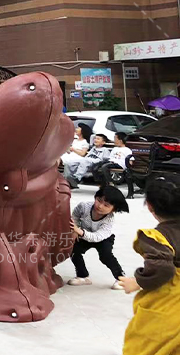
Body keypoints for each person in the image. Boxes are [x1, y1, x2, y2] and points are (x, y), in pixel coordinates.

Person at [118, 175, 180, 355]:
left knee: (146, 345)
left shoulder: (156, 237)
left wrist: (138, 281)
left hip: (170, 302)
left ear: (150, 207)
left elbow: (162, 268)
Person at [67, 185, 130, 289]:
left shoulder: (108, 220)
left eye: (106, 205)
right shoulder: (84, 206)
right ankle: (83, 276)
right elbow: (75, 216)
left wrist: (79, 231)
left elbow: (97, 237)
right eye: (99, 200)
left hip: (103, 238)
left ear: (113, 210)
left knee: (106, 256)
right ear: (95, 197)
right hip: (83, 233)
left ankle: (121, 278)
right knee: (73, 249)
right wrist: (74, 230)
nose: (100, 206)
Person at [96, 132, 135, 198]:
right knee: (97, 166)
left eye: (115, 139)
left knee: (104, 167)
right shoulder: (115, 149)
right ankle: (103, 187)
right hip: (112, 163)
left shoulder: (127, 150)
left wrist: (128, 167)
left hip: (120, 164)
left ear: (120, 140)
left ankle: (111, 183)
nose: (114, 140)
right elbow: (110, 158)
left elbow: (131, 160)